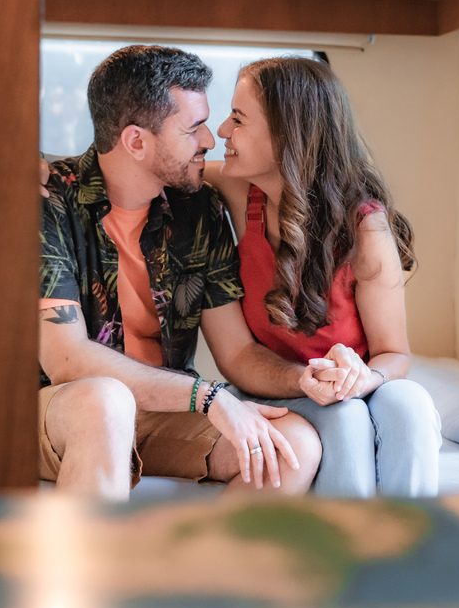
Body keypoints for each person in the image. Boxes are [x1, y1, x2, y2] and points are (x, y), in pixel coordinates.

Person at [39, 45, 322, 501]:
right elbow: (66, 361)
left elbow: (237, 353)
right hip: (62, 406)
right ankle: (91, 571)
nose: (210, 139)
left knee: (294, 444)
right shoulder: (50, 202)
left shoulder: (199, 209)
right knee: (105, 401)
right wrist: (209, 398)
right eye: (193, 128)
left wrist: (302, 378)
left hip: (161, 409)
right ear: (136, 141)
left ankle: (201, 569)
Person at [204, 56, 441, 498]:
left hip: (357, 382)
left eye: (237, 119)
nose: (221, 132)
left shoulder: (365, 230)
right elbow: (144, 160)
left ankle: (412, 552)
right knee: (344, 418)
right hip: (283, 385)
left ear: (287, 134)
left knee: (411, 405)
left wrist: (362, 380)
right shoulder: (238, 190)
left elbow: (394, 355)